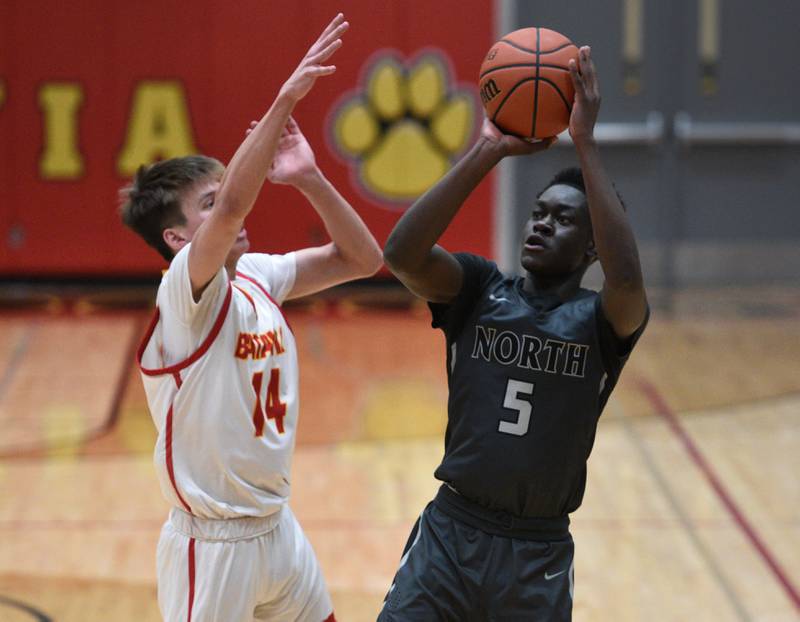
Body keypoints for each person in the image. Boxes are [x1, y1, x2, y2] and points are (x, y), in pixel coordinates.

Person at [120, 14, 382, 622]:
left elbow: (362, 259)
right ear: (177, 237)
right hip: (210, 548)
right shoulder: (183, 295)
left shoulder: (259, 277)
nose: (228, 211)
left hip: (276, 528)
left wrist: (311, 179)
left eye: (221, 195)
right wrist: (285, 98)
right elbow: (237, 205)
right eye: (206, 207)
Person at [379, 46, 648, 621]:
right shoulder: (478, 290)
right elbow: (402, 255)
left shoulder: (604, 321)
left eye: (564, 218)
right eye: (538, 212)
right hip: (451, 535)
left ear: (593, 245)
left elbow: (626, 277)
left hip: (537, 553)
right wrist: (491, 148)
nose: (542, 223)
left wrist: (585, 142)